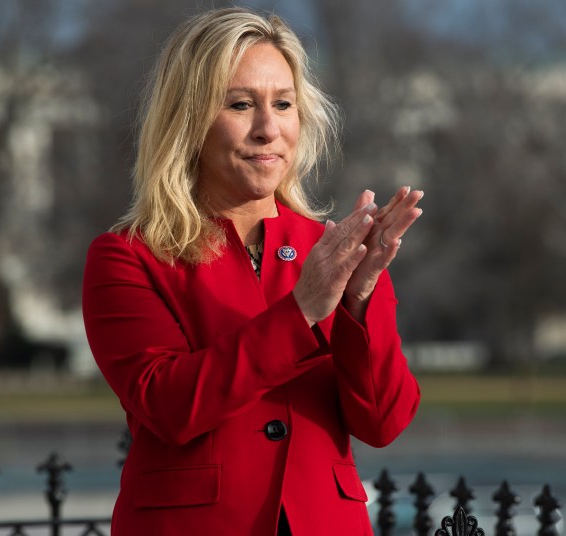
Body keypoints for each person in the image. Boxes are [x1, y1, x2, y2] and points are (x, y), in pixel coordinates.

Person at [82, 7, 423, 536]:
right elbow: (170, 406)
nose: (269, 129)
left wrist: (361, 299)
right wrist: (303, 309)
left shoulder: (333, 250)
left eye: (283, 104)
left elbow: (383, 422)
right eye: (241, 104)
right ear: (188, 118)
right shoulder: (128, 256)